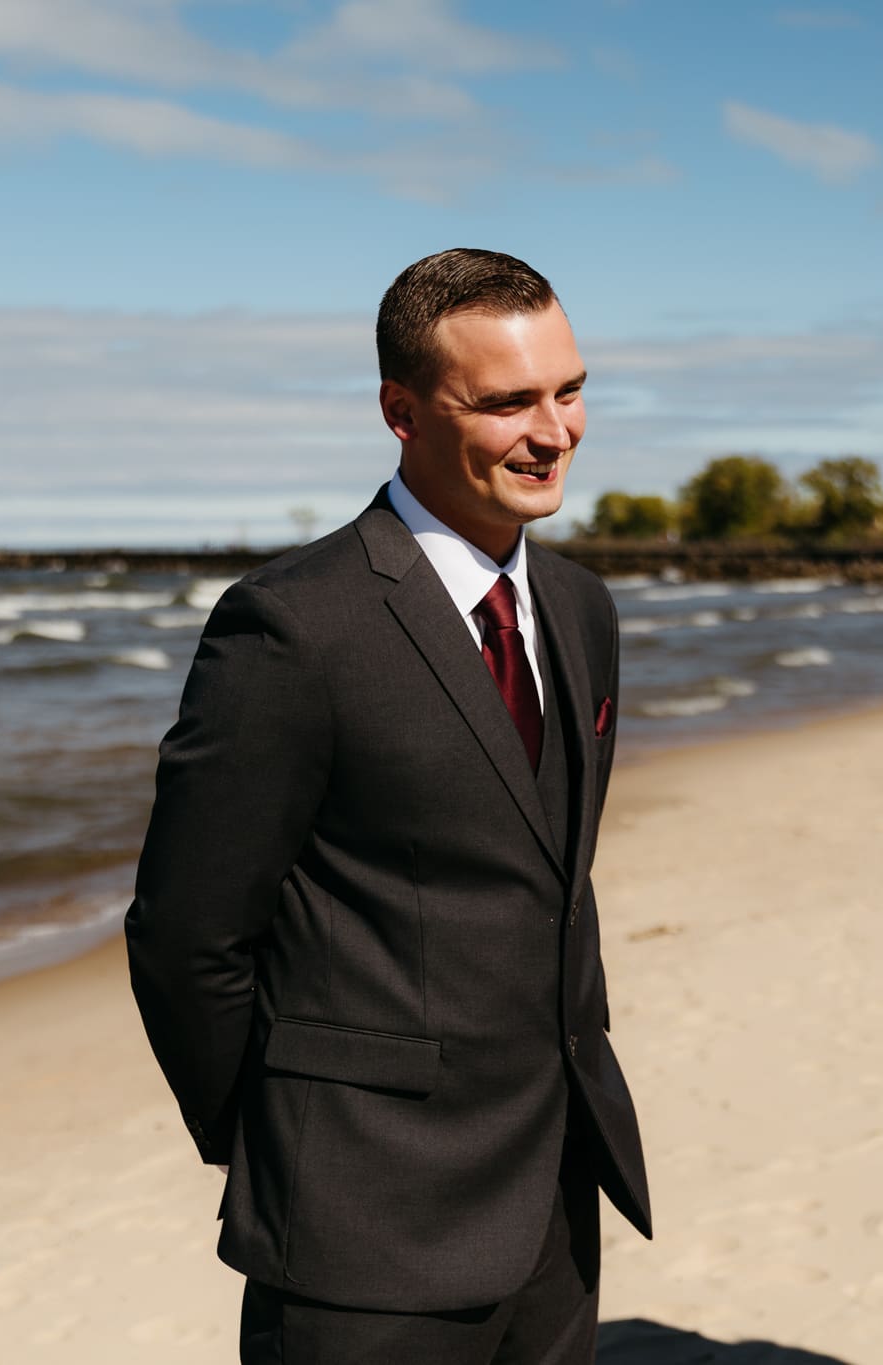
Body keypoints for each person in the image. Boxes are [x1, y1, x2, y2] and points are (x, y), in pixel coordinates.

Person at [126, 249, 650, 1364]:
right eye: (506, 401)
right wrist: (274, 1142)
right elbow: (187, 936)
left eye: (567, 390)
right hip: (359, 1224)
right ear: (399, 412)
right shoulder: (291, 627)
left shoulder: (579, 607)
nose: (552, 432)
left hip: (557, 1190)